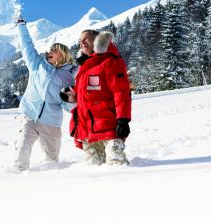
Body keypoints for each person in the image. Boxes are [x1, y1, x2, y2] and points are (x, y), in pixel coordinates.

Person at [12, 16, 75, 171]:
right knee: (23, 148)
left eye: (55, 50)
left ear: (63, 55)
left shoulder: (68, 76)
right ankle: (15, 178)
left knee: (52, 161)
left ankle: (48, 186)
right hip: (30, 115)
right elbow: (27, 46)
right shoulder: (37, 65)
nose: (50, 52)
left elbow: (67, 103)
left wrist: (72, 102)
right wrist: (21, 26)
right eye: (50, 49)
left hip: (51, 122)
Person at [64, 29, 132, 165]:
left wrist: (123, 119)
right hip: (87, 129)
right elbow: (87, 91)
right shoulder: (85, 66)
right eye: (80, 40)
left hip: (109, 126)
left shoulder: (110, 61)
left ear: (97, 40)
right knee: (95, 174)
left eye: (86, 39)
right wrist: (71, 94)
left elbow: (121, 92)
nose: (82, 42)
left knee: (117, 166)